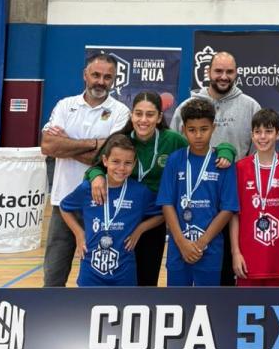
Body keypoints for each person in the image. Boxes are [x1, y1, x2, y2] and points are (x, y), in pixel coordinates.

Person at [40, 52, 130, 287]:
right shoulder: (65, 105)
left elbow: (112, 159)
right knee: (54, 275)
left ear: (114, 79)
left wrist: (66, 145)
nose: (101, 81)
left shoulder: (121, 112)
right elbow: (48, 146)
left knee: (99, 273)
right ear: (85, 75)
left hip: (102, 204)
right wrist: (95, 144)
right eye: (96, 75)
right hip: (64, 202)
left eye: (107, 77)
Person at [171, 50, 258, 285]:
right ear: (208, 72)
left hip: (234, 203)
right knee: (187, 272)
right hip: (195, 203)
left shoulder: (251, 107)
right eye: (218, 71)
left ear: (236, 73)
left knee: (228, 270)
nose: (224, 76)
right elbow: (176, 148)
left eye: (229, 72)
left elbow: (256, 154)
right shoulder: (186, 107)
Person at [83, 89, 187, 286]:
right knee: (116, 273)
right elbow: (96, 166)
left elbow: (198, 155)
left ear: (159, 117)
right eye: (138, 113)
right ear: (131, 115)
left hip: (153, 219)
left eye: (150, 114)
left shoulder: (173, 140)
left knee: (147, 279)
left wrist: (227, 150)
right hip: (120, 217)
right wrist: (96, 176)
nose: (143, 120)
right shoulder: (120, 139)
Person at [59, 134, 162, 287]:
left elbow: (162, 214)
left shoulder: (140, 192)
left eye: (128, 163)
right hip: (90, 271)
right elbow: (64, 207)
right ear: (105, 161)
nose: (121, 168)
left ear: (134, 164)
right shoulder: (88, 188)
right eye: (116, 161)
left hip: (124, 272)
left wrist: (140, 229)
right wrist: (79, 233)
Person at [157, 98, 238, 288]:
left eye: (204, 129)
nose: (198, 135)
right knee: (177, 302)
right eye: (192, 130)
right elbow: (167, 203)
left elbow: (228, 208)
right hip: (178, 249)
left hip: (210, 249)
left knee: (208, 302)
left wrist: (202, 242)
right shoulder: (175, 160)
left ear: (214, 128)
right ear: (183, 130)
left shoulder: (222, 163)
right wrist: (181, 242)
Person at [231, 108, 279, 287]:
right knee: (246, 305)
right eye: (258, 132)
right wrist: (235, 253)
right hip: (247, 260)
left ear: (278, 134)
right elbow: (234, 215)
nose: (263, 137)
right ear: (252, 135)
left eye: (268, 131)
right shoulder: (240, 168)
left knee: (278, 305)